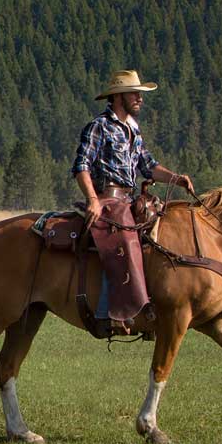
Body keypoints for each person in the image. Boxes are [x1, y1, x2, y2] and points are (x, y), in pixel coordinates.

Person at [72, 70, 193, 337]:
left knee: (160, 237)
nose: (140, 98)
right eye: (134, 93)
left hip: (130, 199)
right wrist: (93, 199)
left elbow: (148, 166)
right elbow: (81, 165)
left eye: (140, 94)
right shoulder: (99, 126)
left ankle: (153, 307)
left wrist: (176, 178)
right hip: (108, 199)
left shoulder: (133, 130)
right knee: (125, 240)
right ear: (118, 97)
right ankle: (113, 312)